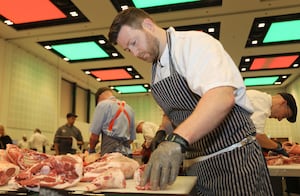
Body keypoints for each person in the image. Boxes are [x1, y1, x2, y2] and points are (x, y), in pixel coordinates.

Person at [108, 7, 274, 195]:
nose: (135, 53)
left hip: (233, 161)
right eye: (129, 49)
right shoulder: (156, 68)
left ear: (148, 25)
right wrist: (163, 132)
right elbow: (174, 111)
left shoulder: (192, 44)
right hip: (197, 166)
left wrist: (177, 140)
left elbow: (221, 96)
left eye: (134, 42)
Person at [247, 90, 297, 157]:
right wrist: (278, 147)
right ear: (284, 103)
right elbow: (256, 136)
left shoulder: (260, 98)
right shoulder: (261, 103)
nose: (280, 119)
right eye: (285, 115)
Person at [88, 87, 136, 157]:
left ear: (98, 98)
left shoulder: (102, 105)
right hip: (127, 154)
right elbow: (131, 139)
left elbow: (94, 136)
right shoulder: (129, 108)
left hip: (110, 154)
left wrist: (91, 150)